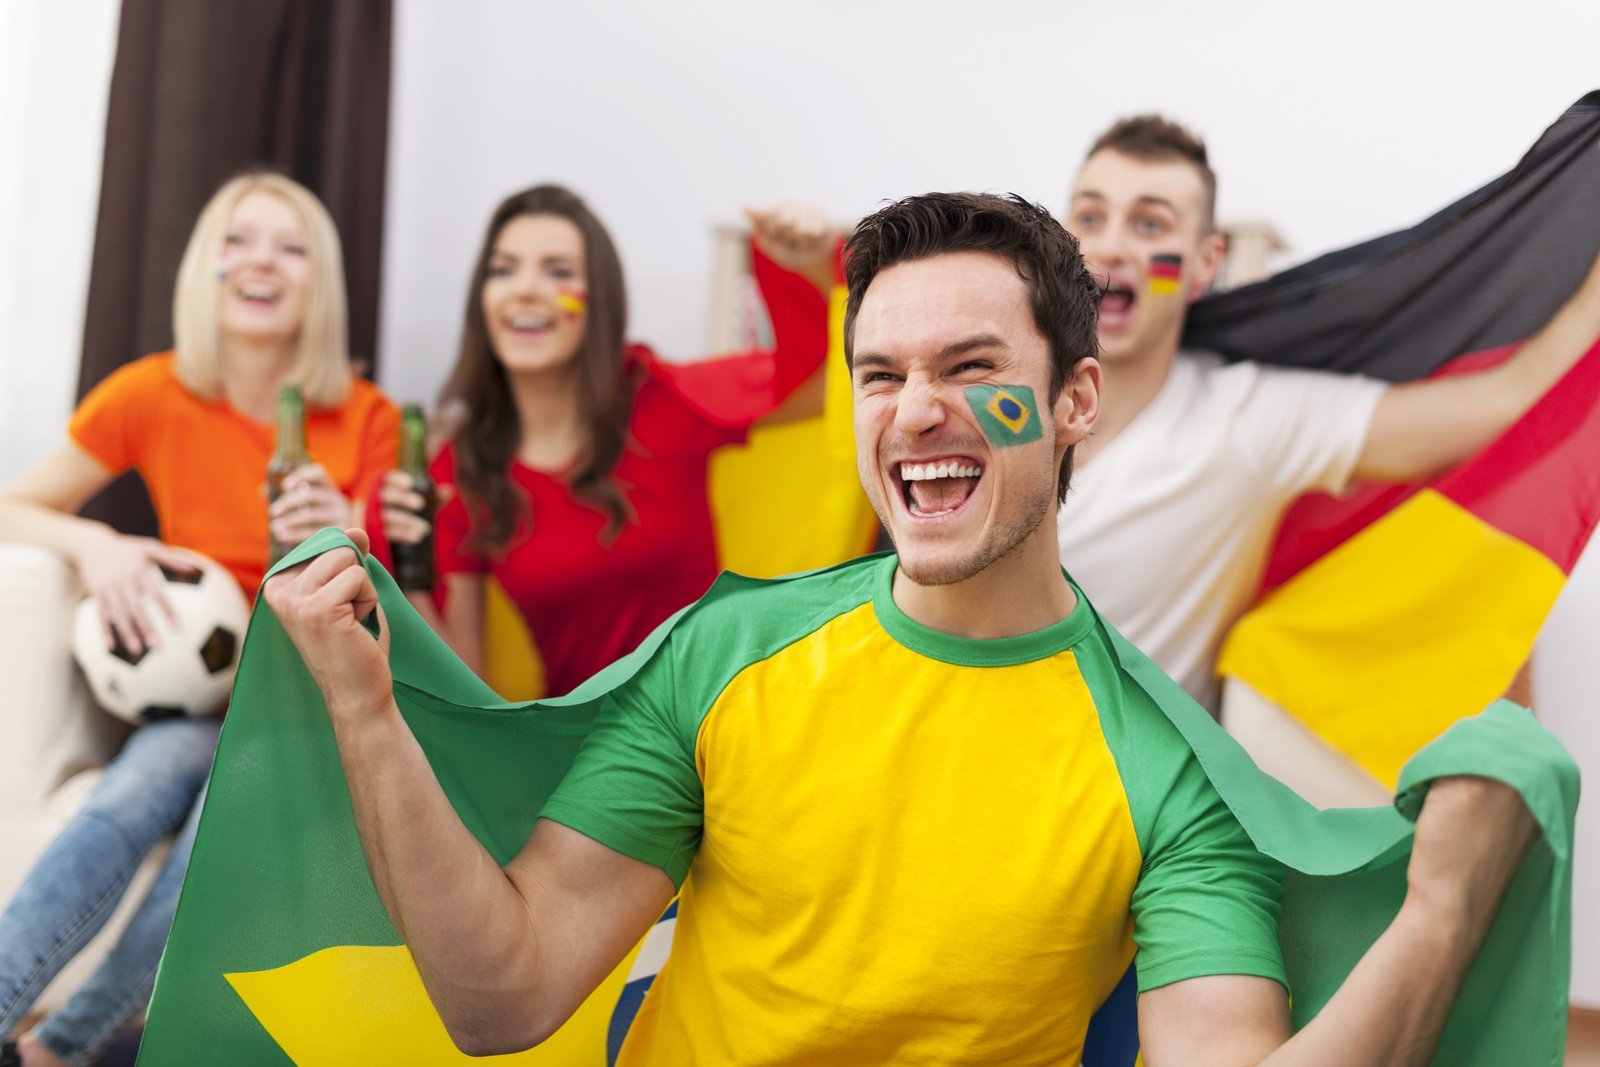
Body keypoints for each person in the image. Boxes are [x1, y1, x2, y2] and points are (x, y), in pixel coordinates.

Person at [267, 192, 1539, 1064]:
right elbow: (504, 994)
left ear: (1071, 399)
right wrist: (366, 711)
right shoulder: (728, 653)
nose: (914, 410)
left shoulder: (1167, 772)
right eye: (882, 372)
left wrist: (1442, 902)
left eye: (970, 369)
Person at [0, 173, 398, 1067]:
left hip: (301, 708)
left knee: (220, 823)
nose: (262, 262)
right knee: (129, 796)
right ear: (207, 266)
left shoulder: (365, 420)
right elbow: (11, 506)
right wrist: (96, 543)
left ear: (319, 281)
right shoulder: (153, 392)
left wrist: (348, 523)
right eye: (240, 240)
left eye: (290, 247)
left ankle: (58, 1049)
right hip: (196, 699)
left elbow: (404, 597)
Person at [1060, 115, 1600, 710]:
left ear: (1204, 265)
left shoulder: (1247, 418)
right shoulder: (1000, 396)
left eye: (1150, 223)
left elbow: (1499, 401)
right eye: (1089, 218)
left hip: (1130, 791)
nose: (1109, 245)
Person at [375, 185, 838, 696]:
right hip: (583, 743)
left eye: (559, 272)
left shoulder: (664, 402)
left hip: (710, 718)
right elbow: (466, 687)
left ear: (600, 299)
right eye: (503, 269)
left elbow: (820, 386)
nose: (525, 289)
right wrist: (409, 569)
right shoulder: (462, 470)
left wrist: (807, 267)